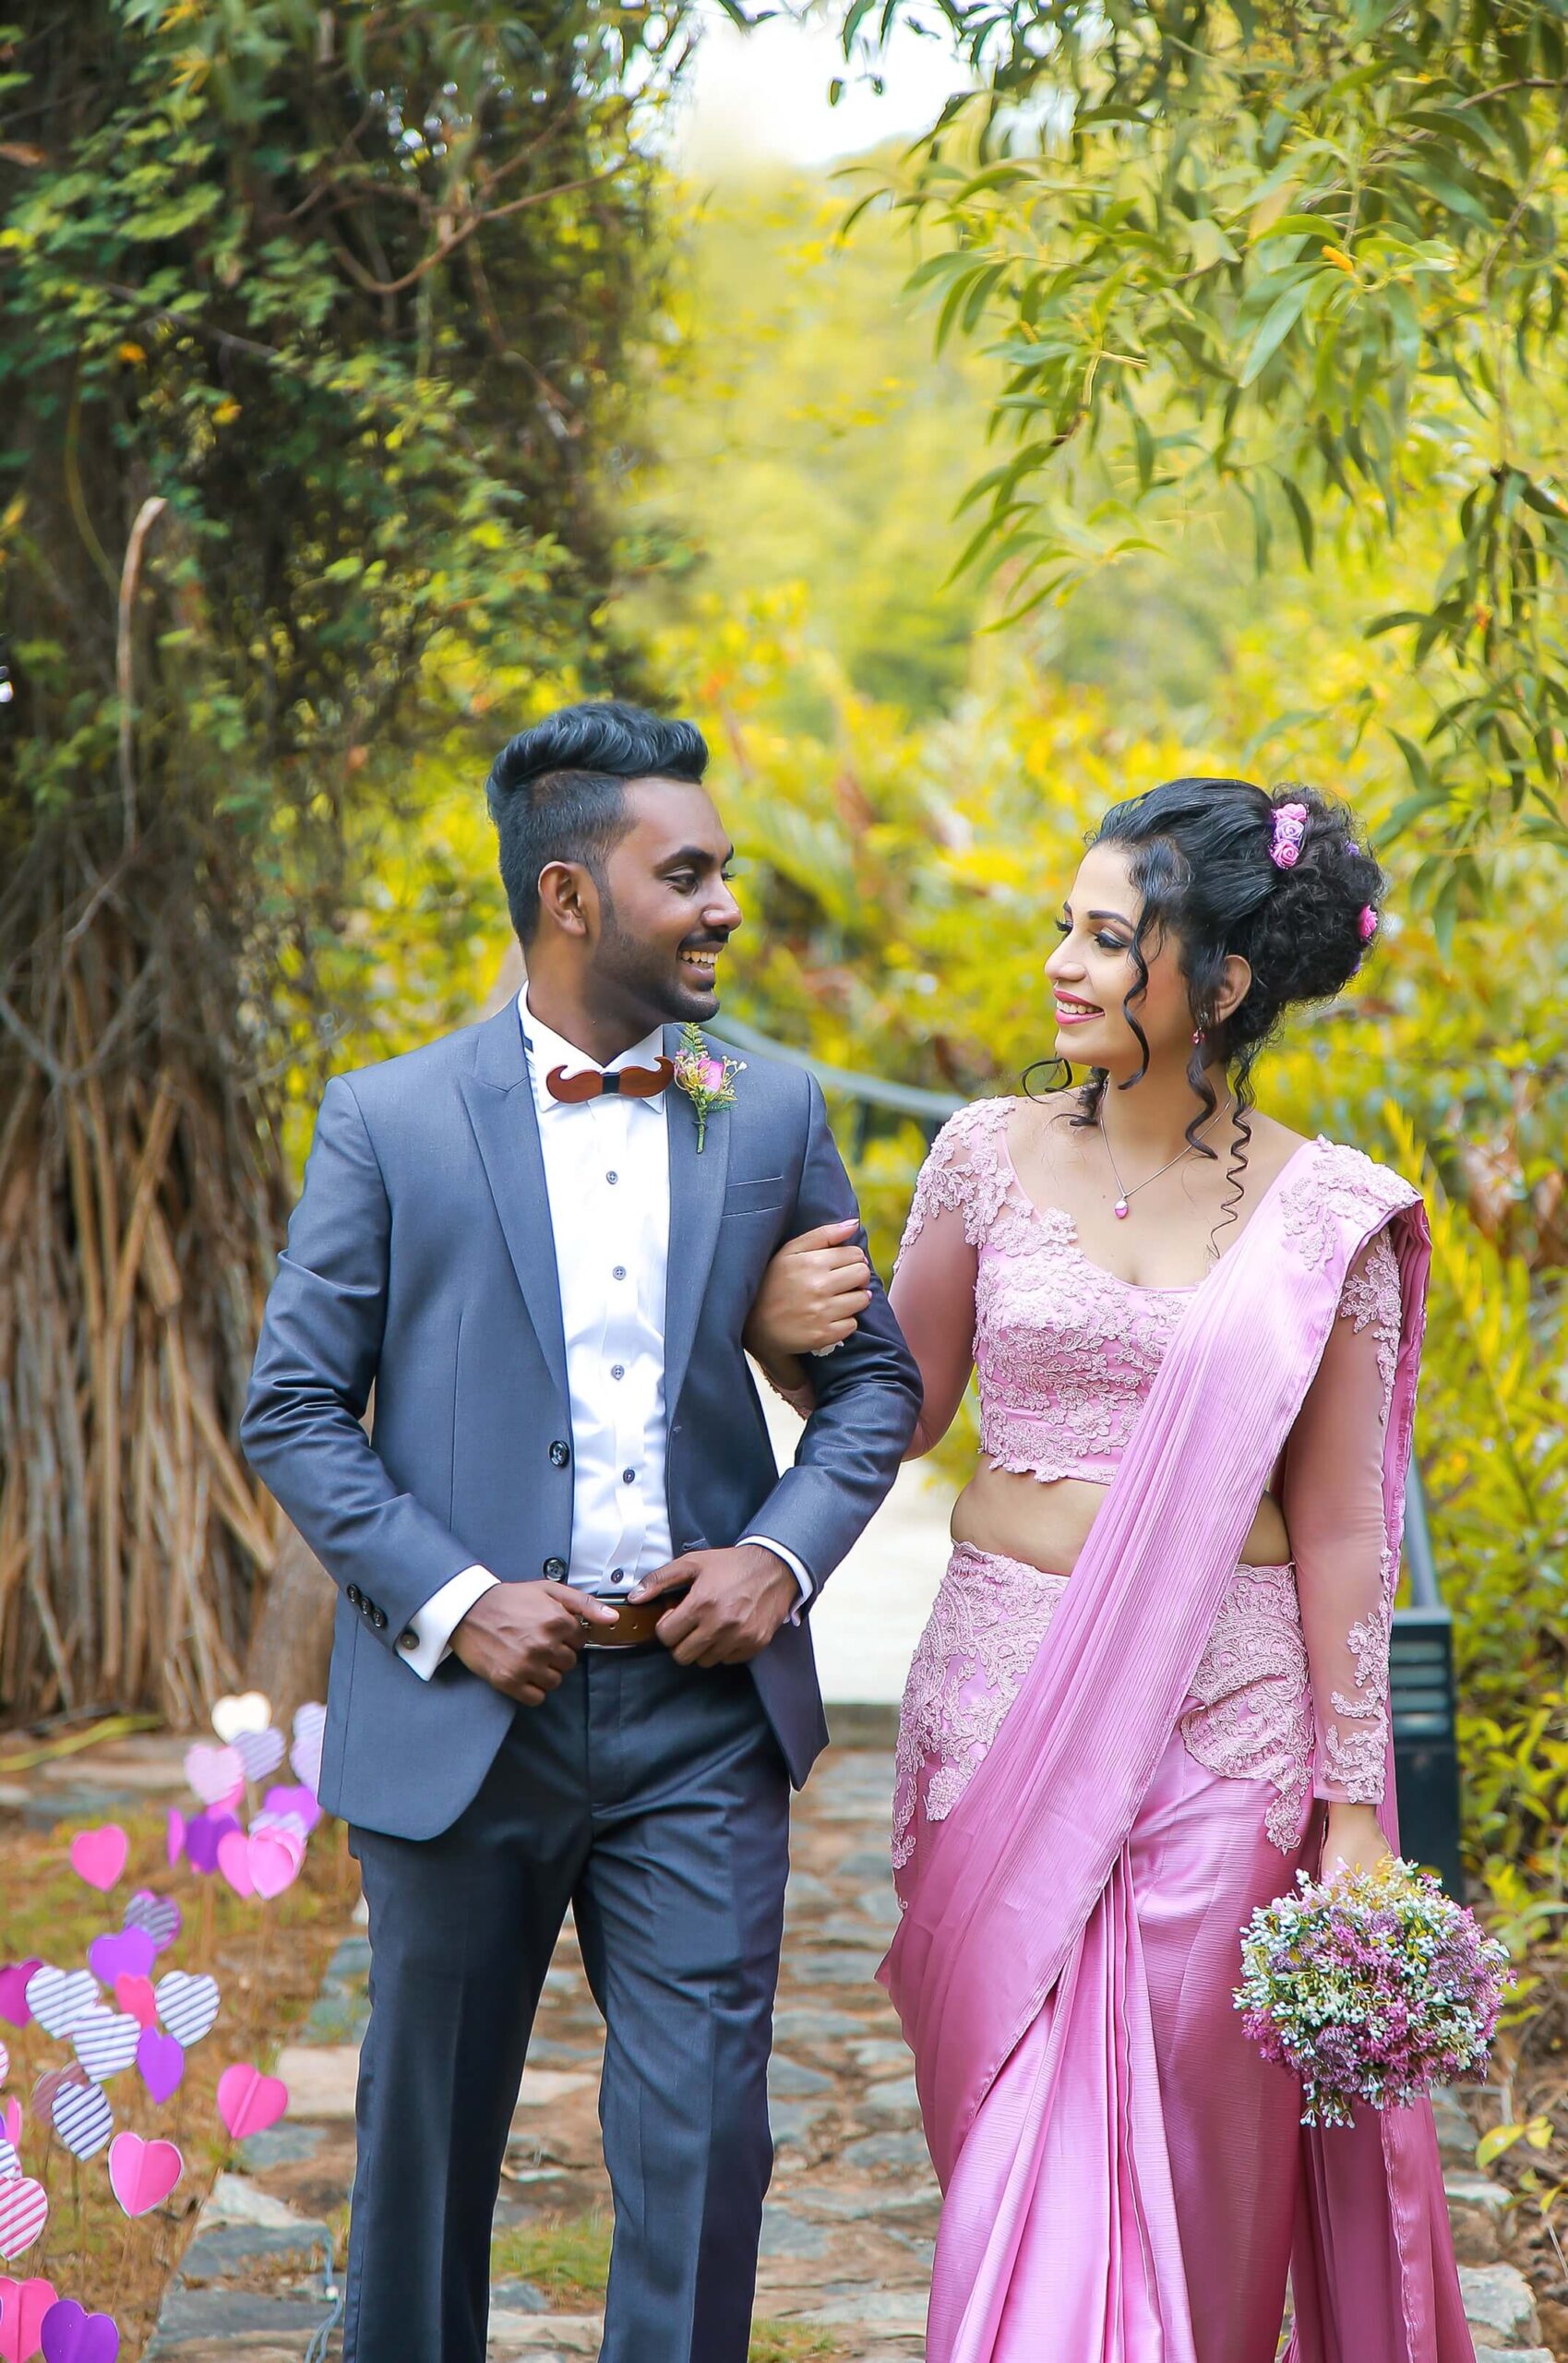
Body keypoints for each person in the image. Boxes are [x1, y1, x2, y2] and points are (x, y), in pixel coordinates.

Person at [745, 778, 1473, 2362]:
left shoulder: (1324, 1217)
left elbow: (1349, 1530)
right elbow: (902, 1407)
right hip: (1001, 1704)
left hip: (1227, 1733)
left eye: (1104, 937)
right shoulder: (983, 1158)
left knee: (1205, 2183)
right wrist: (781, 1342)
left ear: (1217, 984)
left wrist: (1355, 1820)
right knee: (1012, 2169)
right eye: (1061, 930)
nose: (1062, 965)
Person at [241, 700, 920, 2363]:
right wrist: (457, 1599)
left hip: (698, 1722)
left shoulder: (759, 1108)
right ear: (567, 897)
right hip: (467, 1712)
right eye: (683, 874)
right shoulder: (389, 1119)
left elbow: (876, 1389)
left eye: (725, 872)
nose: (724, 907)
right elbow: (293, 1407)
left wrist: (779, 1556)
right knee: (421, 2155)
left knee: (706, 2149)